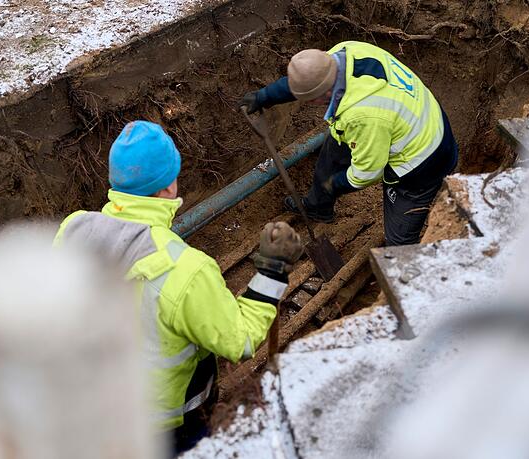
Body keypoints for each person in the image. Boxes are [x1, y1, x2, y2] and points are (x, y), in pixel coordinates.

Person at [54, 121, 303, 454]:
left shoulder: (74, 228)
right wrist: (272, 272)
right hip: (166, 425)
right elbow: (239, 341)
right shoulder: (185, 269)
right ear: (168, 188)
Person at [240, 40, 459, 245]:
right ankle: (318, 207)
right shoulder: (343, 53)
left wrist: (336, 184)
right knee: (332, 155)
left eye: (309, 99)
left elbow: (368, 171)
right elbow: (306, 81)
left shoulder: (363, 115)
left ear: (323, 94)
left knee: (399, 238)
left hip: (423, 160)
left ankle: (404, 278)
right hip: (410, 116)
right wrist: (264, 96)